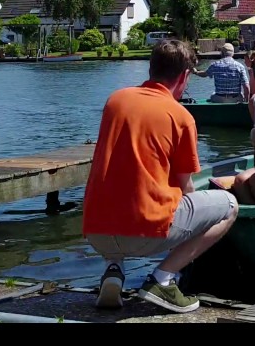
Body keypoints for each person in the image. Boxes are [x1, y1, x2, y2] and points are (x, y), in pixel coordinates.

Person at [82, 39, 238, 314]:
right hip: (145, 235)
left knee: (119, 180)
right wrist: (194, 217)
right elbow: (186, 185)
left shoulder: (115, 101)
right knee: (228, 206)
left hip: (96, 231)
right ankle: (163, 280)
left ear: (151, 68)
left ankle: (114, 270)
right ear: (185, 75)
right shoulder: (180, 116)